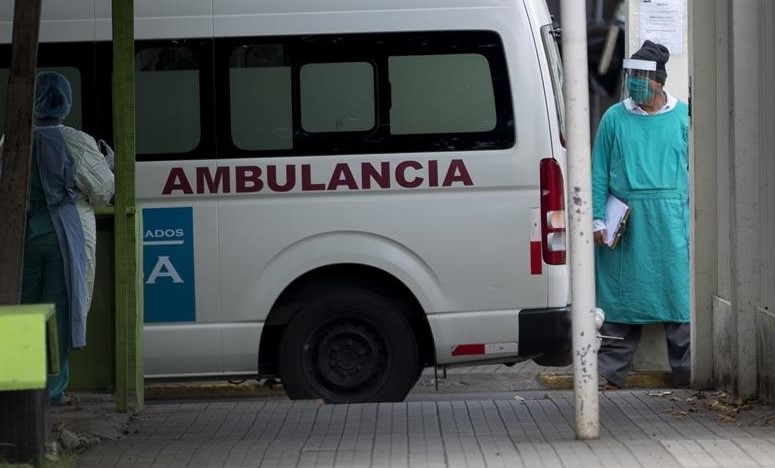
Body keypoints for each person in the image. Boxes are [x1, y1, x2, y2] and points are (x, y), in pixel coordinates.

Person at [591, 40, 690, 390]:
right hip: (627, 223)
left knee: (679, 298)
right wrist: (597, 220)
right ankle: (607, 376)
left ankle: (690, 374)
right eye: (630, 74)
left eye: (641, 76)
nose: (633, 82)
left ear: (660, 81)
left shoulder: (683, 116)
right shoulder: (614, 118)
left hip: (674, 222)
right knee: (621, 300)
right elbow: (598, 171)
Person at [22, 71, 114, 405]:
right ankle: (53, 391)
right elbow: (103, 192)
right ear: (66, 101)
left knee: (25, 308)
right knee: (59, 311)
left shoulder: (12, 140)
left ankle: (22, 390)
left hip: (22, 235)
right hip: (67, 236)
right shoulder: (77, 141)